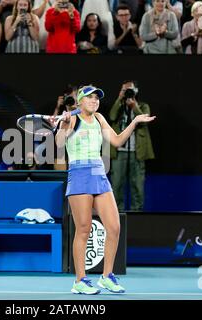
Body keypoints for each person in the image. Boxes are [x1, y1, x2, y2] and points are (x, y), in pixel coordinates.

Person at [54, 85, 155, 294]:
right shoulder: (72, 118)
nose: (94, 101)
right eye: (89, 98)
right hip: (80, 175)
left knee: (114, 227)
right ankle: (80, 280)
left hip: (99, 175)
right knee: (83, 229)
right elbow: (59, 143)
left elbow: (117, 141)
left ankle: (106, 276)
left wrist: (135, 122)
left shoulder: (100, 118)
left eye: (96, 98)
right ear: (80, 101)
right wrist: (63, 126)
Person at [109, 80, 155, 211]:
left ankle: (137, 213)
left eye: (130, 89)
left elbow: (144, 119)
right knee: (117, 184)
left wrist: (134, 106)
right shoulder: (119, 106)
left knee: (137, 185)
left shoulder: (143, 105)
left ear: (136, 91)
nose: (127, 92)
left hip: (137, 151)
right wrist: (119, 98)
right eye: (125, 90)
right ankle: (118, 212)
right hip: (119, 151)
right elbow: (112, 116)